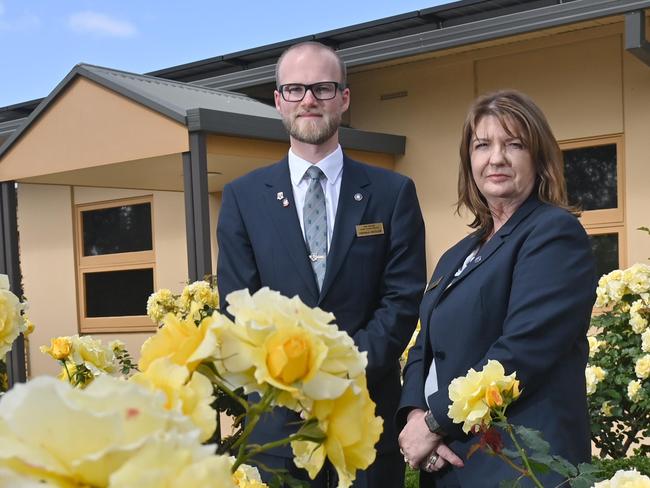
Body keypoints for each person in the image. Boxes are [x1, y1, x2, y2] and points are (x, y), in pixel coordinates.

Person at [217, 41, 426, 487]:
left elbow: (402, 301)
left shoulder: (392, 194)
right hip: (280, 427)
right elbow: (239, 308)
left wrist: (341, 371)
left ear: (344, 99)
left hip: (366, 421)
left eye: (323, 87)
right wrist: (296, 382)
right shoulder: (242, 199)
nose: (308, 99)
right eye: (294, 89)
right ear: (278, 101)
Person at [398, 90, 596, 487]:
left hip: (518, 466)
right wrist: (415, 414)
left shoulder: (554, 234)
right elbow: (424, 346)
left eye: (514, 145)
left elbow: (522, 350)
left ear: (538, 159)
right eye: (482, 145)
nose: (496, 158)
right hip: (451, 466)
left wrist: (436, 422)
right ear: (469, 161)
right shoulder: (457, 254)